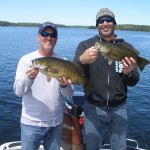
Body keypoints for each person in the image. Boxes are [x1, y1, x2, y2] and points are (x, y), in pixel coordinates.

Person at [74, 8, 140, 150]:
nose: (105, 23)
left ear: (114, 23)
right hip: (93, 107)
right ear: (97, 25)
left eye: (108, 20)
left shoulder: (126, 48)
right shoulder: (85, 46)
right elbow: (73, 75)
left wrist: (128, 73)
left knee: (119, 147)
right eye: (101, 21)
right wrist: (81, 60)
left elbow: (134, 81)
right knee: (92, 147)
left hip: (119, 109)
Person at [13, 21, 74, 150]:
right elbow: (18, 92)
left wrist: (64, 86)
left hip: (56, 124)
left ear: (56, 39)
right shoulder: (26, 60)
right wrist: (29, 79)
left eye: (52, 35)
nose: (48, 38)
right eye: (45, 34)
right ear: (38, 36)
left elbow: (69, 94)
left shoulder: (63, 61)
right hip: (30, 125)